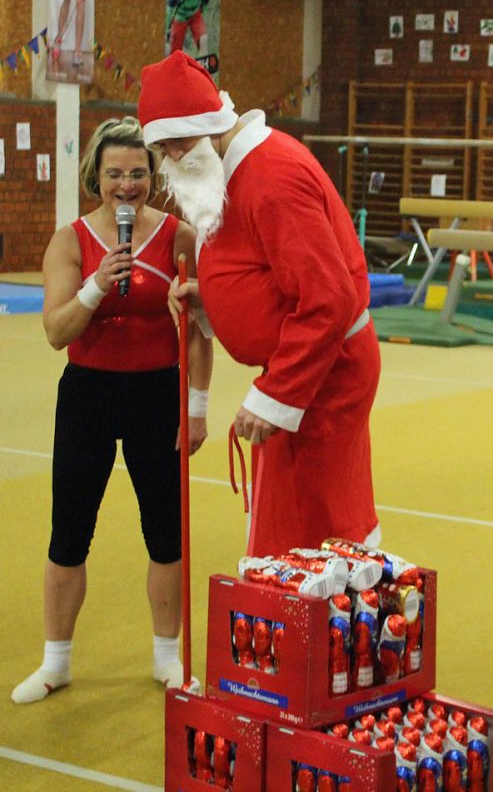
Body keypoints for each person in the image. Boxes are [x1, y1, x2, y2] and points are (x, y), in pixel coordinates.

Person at [136, 50, 381, 558]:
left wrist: (275, 394)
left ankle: (325, 620)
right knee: (295, 520)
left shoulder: (271, 178)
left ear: (196, 133)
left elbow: (328, 298)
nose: (169, 164)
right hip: (311, 367)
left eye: (171, 148)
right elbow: (268, 270)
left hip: (323, 375)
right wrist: (217, 299)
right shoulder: (232, 170)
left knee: (316, 528)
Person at [11, 116, 213, 704]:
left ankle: (166, 657)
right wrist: (96, 286)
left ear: (154, 175)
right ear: (94, 177)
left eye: (138, 173)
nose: (127, 185)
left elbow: (200, 328)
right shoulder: (69, 241)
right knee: (69, 532)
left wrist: (195, 409)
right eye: (115, 174)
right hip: (88, 396)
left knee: (166, 534)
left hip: (158, 396)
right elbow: (55, 330)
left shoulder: (178, 236)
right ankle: (56, 663)